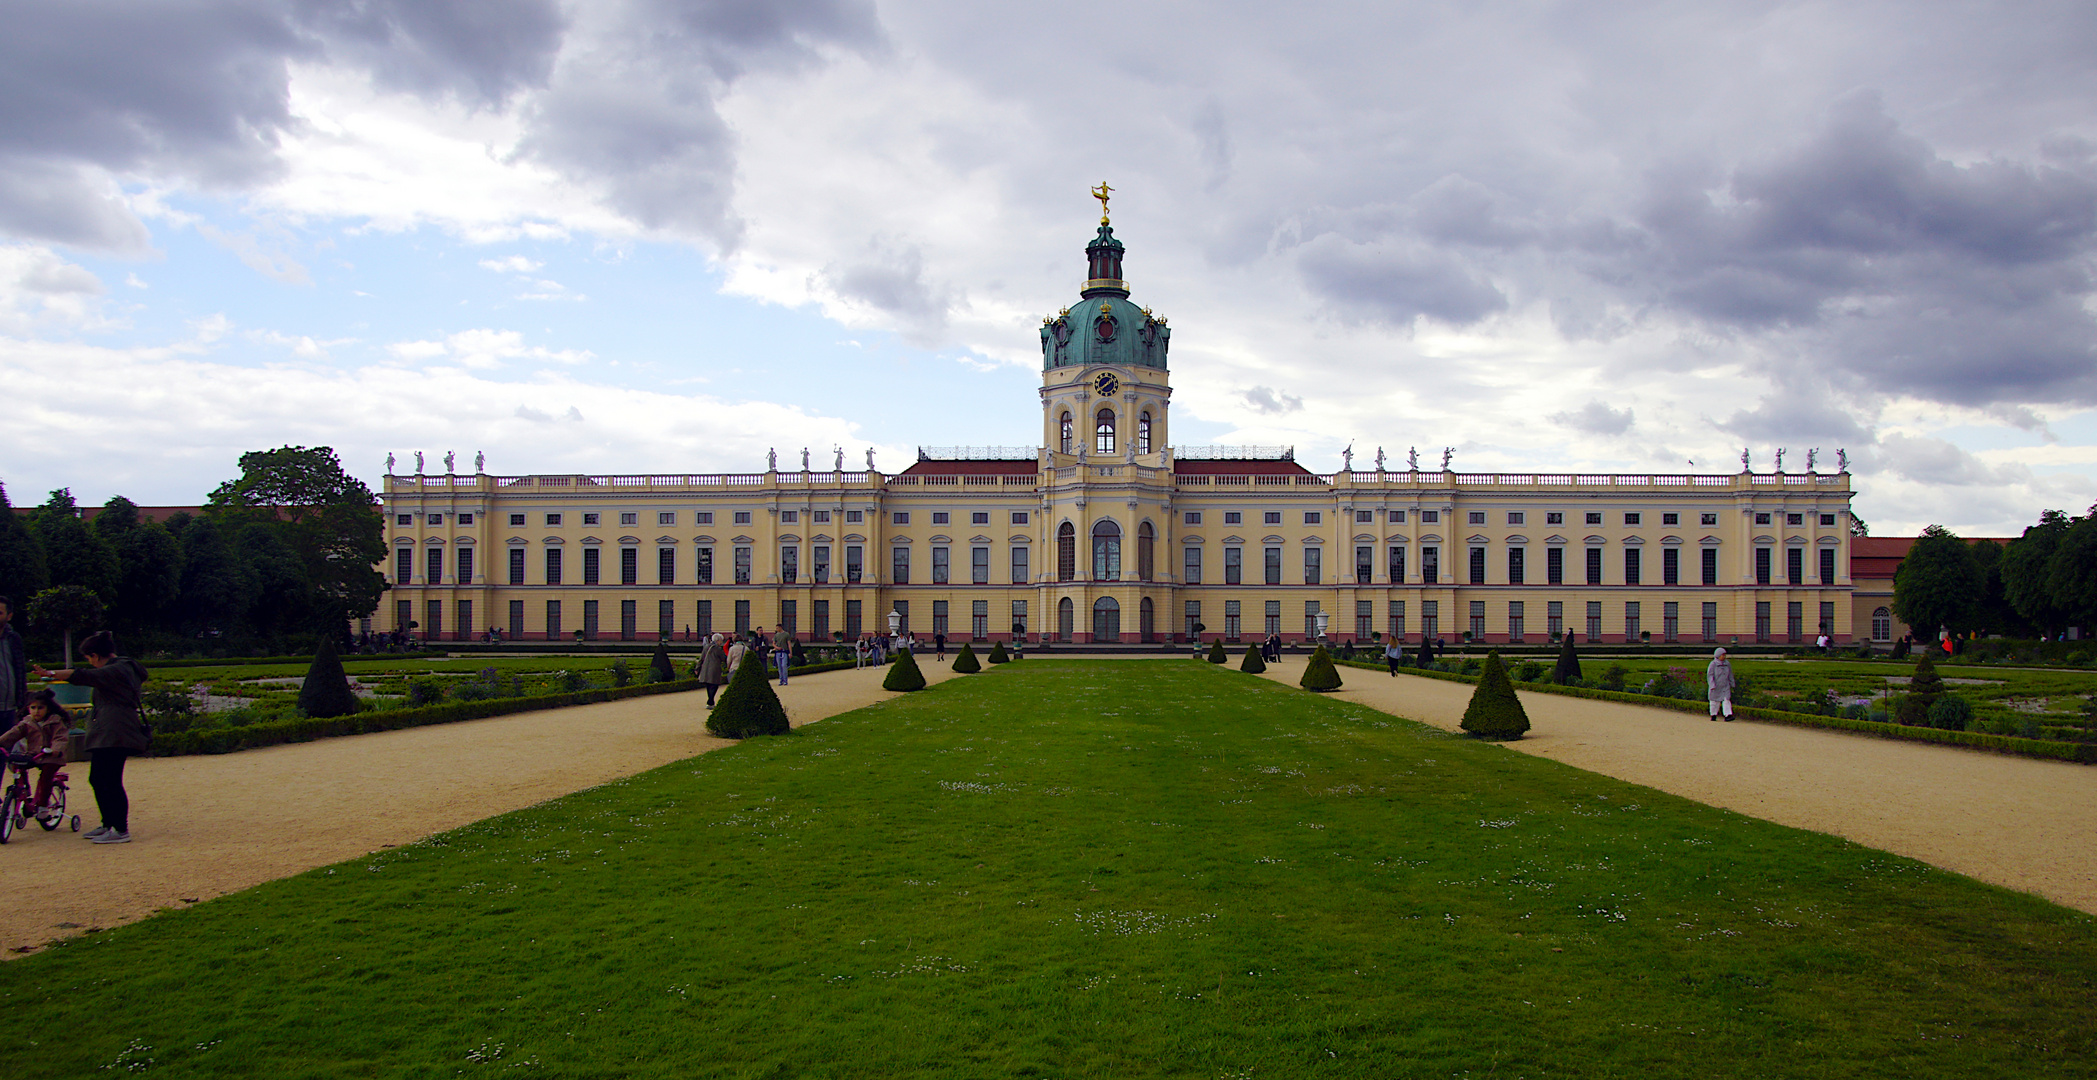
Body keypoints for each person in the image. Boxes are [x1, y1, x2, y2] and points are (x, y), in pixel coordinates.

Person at [33, 631, 149, 843]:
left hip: (115, 731)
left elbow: (84, 676)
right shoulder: (120, 668)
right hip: (108, 731)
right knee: (98, 778)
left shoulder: (116, 670)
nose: (90, 663)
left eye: (89, 659)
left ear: (95, 655)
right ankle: (108, 824)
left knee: (111, 780)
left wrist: (51, 673)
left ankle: (121, 829)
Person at [0, 689, 71, 822]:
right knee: (18, 766)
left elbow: (60, 738)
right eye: (33, 708)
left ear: (48, 709)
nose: (36, 711)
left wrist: (55, 750)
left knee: (46, 778)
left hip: (51, 756)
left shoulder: (56, 721)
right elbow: (13, 733)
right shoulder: (27, 722)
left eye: (40, 708)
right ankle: (24, 793)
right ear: (28, 708)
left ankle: (43, 807)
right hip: (34, 754)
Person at [0, 596, 24, 738]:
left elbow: (20, 670)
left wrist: (22, 700)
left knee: (5, 749)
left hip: (10, 707)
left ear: (9, 616)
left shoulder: (13, 639)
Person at [695, 633, 728, 706]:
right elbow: (723, 658)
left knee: (709, 685)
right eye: (721, 641)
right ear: (718, 640)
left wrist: (697, 668)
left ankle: (710, 701)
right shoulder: (718, 649)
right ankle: (710, 701)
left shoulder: (706, 646)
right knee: (715, 685)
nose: (721, 642)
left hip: (706, 668)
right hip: (714, 669)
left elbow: (701, 658)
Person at [1706, 647, 1735, 722]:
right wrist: (1712, 685)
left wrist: (1732, 683)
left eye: (1725, 655)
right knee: (1714, 701)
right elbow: (1710, 675)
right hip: (1716, 686)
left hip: (1725, 686)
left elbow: (1730, 674)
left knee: (1726, 700)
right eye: (1722, 655)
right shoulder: (1713, 664)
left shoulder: (1727, 664)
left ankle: (1728, 715)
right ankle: (1713, 714)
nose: (1724, 657)